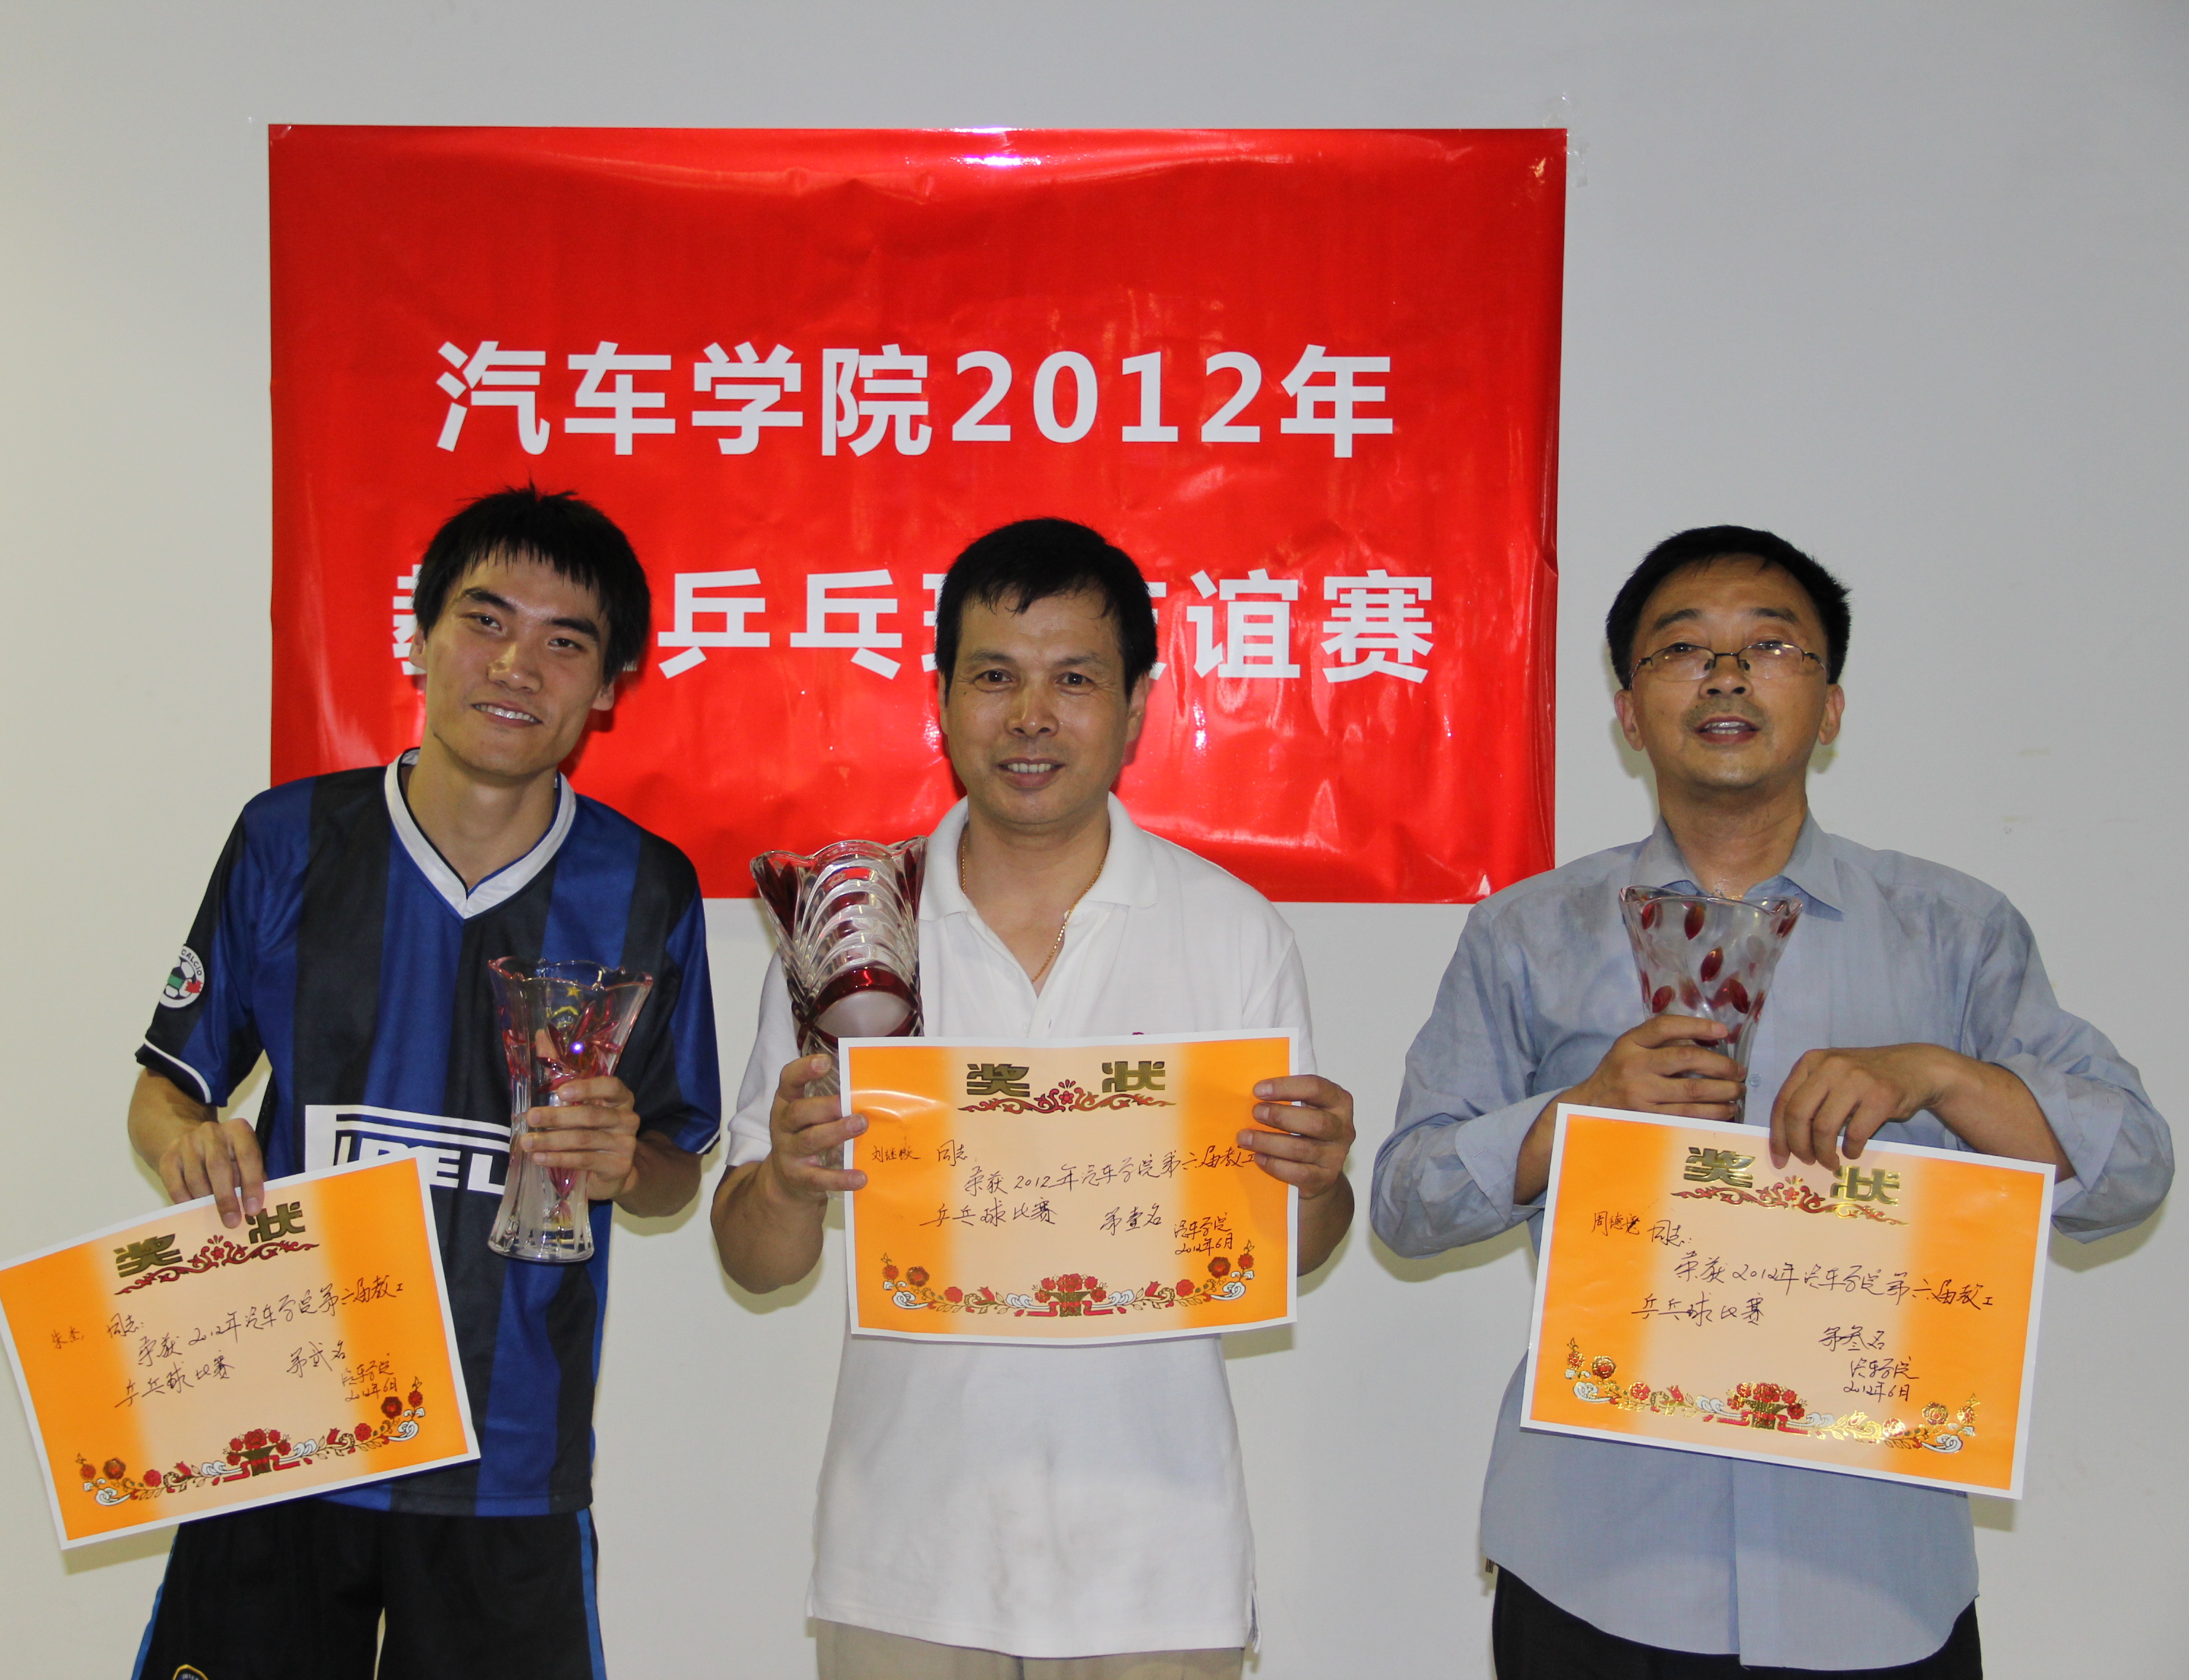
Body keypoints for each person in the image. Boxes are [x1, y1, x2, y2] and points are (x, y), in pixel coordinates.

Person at [1371, 526, 2171, 1677]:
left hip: (1874, 1566)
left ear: (1831, 708)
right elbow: (1406, 1200)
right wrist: (1578, 1114)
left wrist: (1941, 1076)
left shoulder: (1952, 929)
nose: (1727, 676)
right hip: (1601, 1555)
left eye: (1771, 646)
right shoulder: (1526, 932)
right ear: (1628, 711)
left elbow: (2132, 1168)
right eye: (1682, 649)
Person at [712, 517, 1358, 1679]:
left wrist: (1316, 1180)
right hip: (908, 1557)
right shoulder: (851, 934)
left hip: (1157, 1565)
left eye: (1075, 680)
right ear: (941, 696)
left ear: (1139, 704)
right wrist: (790, 1181)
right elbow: (755, 1261)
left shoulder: (1231, 930)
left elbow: (1295, 1246)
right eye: (994, 677)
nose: (1030, 717)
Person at [125, 486, 721, 1680]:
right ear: (421, 637)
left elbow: (671, 1170)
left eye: (565, 642)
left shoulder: (645, 887)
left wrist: (628, 1162)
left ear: (610, 688)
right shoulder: (289, 839)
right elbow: (161, 1095)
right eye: (485, 620)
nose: (517, 666)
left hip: (510, 1462)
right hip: (282, 1425)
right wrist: (189, 1138)